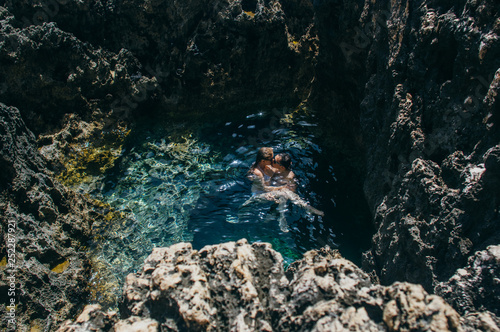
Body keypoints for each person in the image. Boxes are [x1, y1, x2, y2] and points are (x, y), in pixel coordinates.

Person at [243, 151, 324, 232]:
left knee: (285, 193)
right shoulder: (268, 167)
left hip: (278, 197)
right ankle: (297, 210)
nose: (271, 161)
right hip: (262, 194)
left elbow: (292, 191)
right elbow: (253, 175)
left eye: (274, 161)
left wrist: (278, 192)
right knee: (284, 192)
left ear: (282, 167)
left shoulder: (290, 176)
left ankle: (276, 217)